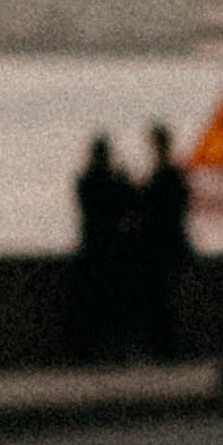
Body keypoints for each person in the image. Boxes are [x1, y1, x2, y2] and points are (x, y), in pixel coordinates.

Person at [68, 132, 138, 364]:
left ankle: (93, 350)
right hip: (112, 250)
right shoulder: (114, 183)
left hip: (94, 249)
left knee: (94, 303)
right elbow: (129, 204)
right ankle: (115, 349)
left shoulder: (86, 181)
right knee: (115, 304)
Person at [135, 123, 194, 363]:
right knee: (166, 297)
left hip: (161, 245)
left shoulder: (165, 174)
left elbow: (154, 207)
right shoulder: (173, 173)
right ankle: (167, 347)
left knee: (161, 297)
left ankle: (165, 347)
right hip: (169, 242)